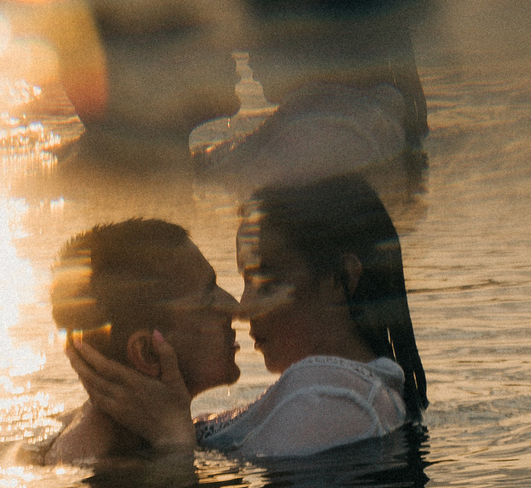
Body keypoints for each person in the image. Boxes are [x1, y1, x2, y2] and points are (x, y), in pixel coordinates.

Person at [58, 171, 427, 462]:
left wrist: (173, 442)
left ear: (340, 279)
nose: (241, 307)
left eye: (267, 283)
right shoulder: (331, 393)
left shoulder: (327, 397)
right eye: (244, 281)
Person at [46, 217, 243, 462]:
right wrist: (175, 444)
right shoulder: (102, 466)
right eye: (209, 297)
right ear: (147, 353)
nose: (235, 307)